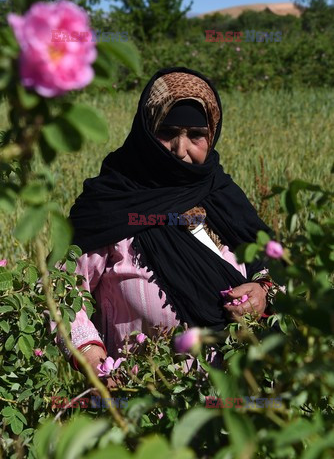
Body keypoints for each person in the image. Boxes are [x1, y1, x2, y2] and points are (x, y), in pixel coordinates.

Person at [57, 66, 282, 385]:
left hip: (237, 402)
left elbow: (278, 265)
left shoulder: (222, 195)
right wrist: (97, 365)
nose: (181, 149)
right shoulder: (109, 205)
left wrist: (263, 291)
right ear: (147, 131)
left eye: (195, 135)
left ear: (212, 134)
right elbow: (61, 292)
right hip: (143, 405)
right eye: (167, 132)